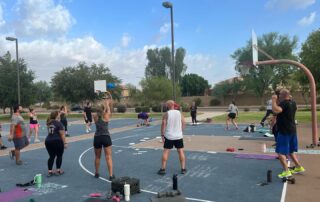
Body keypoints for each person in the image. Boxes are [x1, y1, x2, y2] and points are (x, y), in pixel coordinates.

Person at [272, 89, 305, 178]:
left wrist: (273, 100)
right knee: (290, 151)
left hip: (284, 131)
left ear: (282, 96)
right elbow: (294, 109)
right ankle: (298, 167)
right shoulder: (293, 103)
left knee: (280, 152)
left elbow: (276, 110)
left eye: (279, 95)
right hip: (292, 130)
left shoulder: (284, 103)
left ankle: (286, 171)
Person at [158, 100, 186, 175]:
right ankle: (183, 169)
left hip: (169, 136)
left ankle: (163, 169)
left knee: (166, 152)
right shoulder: (179, 113)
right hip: (178, 136)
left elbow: (163, 124)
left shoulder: (166, 114)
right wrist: (181, 131)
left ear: (168, 106)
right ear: (174, 105)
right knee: (180, 151)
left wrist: (162, 135)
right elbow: (184, 123)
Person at [93, 92, 115, 180]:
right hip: (105, 137)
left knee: (97, 157)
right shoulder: (106, 115)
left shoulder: (95, 116)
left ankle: (97, 173)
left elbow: (103, 110)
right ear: (104, 110)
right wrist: (108, 100)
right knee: (108, 156)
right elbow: (109, 109)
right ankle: (110, 175)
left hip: (97, 137)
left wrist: (105, 104)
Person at [45, 111, 67, 177]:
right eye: (59, 114)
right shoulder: (59, 123)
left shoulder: (49, 123)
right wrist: (65, 143)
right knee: (59, 155)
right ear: (57, 116)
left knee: (51, 156)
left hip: (48, 141)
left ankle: (50, 171)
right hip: (57, 141)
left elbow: (50, 132)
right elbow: (62, 134)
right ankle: (58, 170)